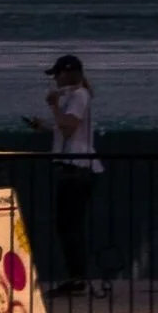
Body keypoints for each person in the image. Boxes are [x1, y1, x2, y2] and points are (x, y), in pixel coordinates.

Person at [27, 53, 99, 294]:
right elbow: (65, 127)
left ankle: (77, 277)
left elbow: (69, 127)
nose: (55, 80)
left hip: (77, 168)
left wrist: (53, 105)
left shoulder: (79, 95)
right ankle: (75, 276)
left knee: (69, 225)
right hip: (71, 167)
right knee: (67, 225)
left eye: (57, 75)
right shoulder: (74, 96)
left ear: (67, 73)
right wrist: (46, 125)